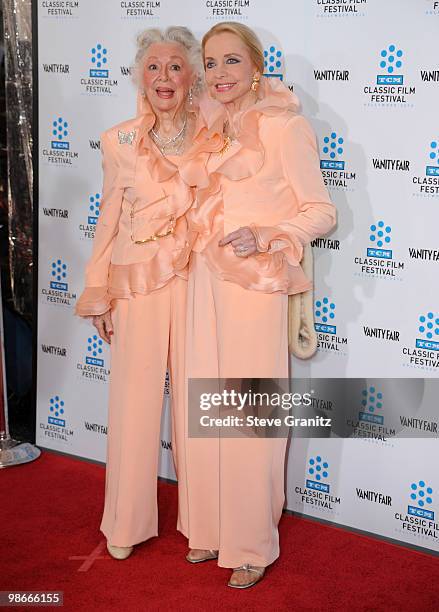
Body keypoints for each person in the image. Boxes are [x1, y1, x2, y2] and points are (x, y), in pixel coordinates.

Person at [178, 22, 337, 588]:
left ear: (256, 67)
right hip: (202, 283)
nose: (220, 74)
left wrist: (266, 234)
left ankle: (250, 545)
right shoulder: (207, 133)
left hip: (254, 287)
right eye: (211, 62)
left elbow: (320, 211)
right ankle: (208, 530)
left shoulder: (285, 126)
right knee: (203, 408)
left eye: (231, 62)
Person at [75, 26, 219, 560]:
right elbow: (107, 218)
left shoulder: (215, 133)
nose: (164, 77)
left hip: (198, 282)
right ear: (140, 75)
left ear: (193, 77)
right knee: (133, 405)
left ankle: (204, 525)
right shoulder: (119, 141)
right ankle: (125, 524)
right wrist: (98, 291)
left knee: (196, 404)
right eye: (154, 67)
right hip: (135, 283)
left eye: (176, 66)